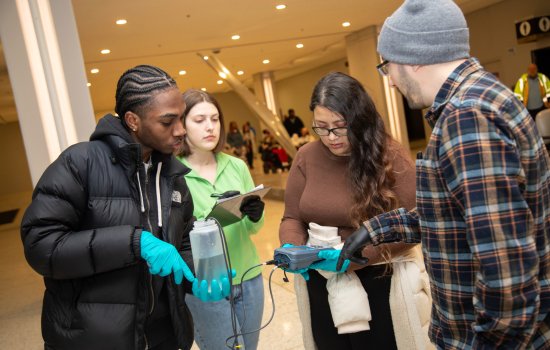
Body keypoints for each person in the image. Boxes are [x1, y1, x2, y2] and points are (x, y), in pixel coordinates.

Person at [337, 1, 550, 348]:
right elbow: (456, 216)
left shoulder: (466, 118)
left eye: (386, 66)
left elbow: (506, 271)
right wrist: (375, 229)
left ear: (414, 58)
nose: (390, 82)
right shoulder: (485, 98)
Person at [20, 65, 228, 350]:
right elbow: (41, 247)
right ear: (132, 120)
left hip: (163, 336)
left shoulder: (172, 176)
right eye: (168, 122)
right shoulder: (80, 164)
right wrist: (134, 242)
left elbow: (181, 244)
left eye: (181, 118)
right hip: (93, 339)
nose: (180, 130)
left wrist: (199, 273)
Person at [279, 72, 418, 350]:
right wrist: (293, 249)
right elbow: (292, 217)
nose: (331, 137)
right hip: (320, 280)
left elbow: (416, 225)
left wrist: (356, 257)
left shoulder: (391, 156)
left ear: (359, 120)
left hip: (378, 281)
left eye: (340, 127)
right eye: (321, 127)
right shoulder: (307, 156)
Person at [177, 89, 266, 350]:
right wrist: (219, 213)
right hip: (206, 283)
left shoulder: (236, 166)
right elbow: (182, 234)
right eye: (200, 120)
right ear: (182, 125)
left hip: (249, 275)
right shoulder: (175, 174)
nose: (210, 127)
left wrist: (253, 214)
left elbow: (253, 229)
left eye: (215, 119)